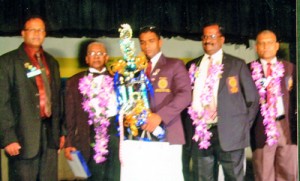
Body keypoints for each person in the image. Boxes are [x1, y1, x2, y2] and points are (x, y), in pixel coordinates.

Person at [186, 23, 259, 181]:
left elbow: (253, 99)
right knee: (203, 178)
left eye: (212, 36)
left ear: (222, 39)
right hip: (201, 133)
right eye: (204, 36)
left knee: (233, 177)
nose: (207, 40)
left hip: (230, 134)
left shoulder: (236, 64)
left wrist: (242, 127)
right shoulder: (193, 65)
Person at [0, 15, 64, 180]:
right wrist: (8, 138)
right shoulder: (7, 62)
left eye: (41, 30)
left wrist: (61, 132)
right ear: (23, 33)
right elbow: (2, 103)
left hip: (49, 137)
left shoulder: (52, 62)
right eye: (32, 30)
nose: (37, 33)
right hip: (21, 138)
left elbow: (58, 100)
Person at [138, 26, 192, 180]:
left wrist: (160, 116)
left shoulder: (174, 64)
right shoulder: (135, 69)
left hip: (168, 133)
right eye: (142, 42)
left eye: (151, 41)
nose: (146, 46)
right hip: (141, 134)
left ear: (160, 42)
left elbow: (185, 95)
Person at [64, 41, 120, 181]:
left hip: (114, 137)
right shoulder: (74, 81)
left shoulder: (118, 79)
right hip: (88, 137)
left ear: (106, 58)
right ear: (86, 58)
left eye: (100, 53)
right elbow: (69, 116)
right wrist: (69, 143)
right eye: (92, 53)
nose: (96, 57)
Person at [249, 30, 297, 181]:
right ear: (256, 47)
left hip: (286, 126)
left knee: (289, 172)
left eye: (269, 42)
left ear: (276, 46)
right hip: (261, 129)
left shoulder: (291, 68)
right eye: (262, 43)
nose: (266, 46)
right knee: (264, 174)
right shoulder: (247, 69)